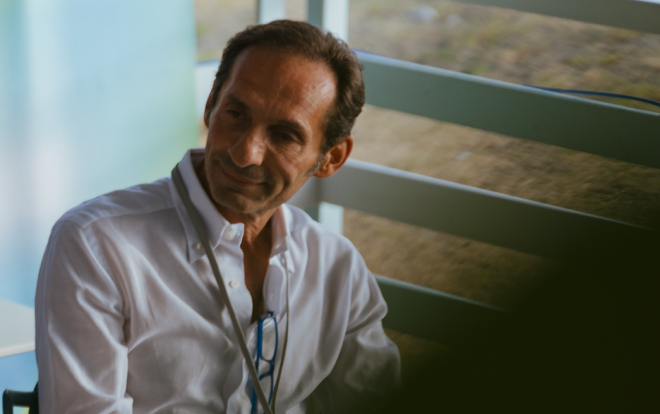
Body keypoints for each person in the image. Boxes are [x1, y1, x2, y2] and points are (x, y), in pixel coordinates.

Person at [34, 20, 400, 414]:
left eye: (284, 136)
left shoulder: (337, 268)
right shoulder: (95, 244)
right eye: (236, 114)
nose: (246, 154)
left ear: (331, 158)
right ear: (210, 105)